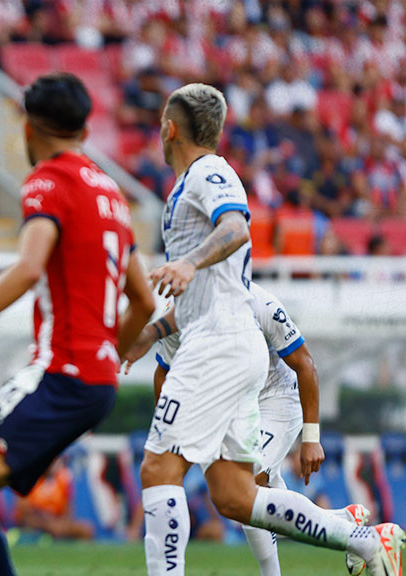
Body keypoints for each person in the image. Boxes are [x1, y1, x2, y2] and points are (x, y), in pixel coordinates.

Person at [138, 82, 403, 576]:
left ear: (170, 128)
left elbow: (237, 227)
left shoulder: (208, 172)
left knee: (158, 470)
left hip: (218, 345)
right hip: (225, 345)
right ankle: (362, 539)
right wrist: (150, 334)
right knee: (237, 495)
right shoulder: (189, 184)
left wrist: (189, 262)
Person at [0, 73, 157, 576]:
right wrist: (110, 357)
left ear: (28, 127)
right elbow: (145, 302)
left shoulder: (48, 181)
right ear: (84, 127)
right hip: (94, 380)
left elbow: (28, 267)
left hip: (62, 370)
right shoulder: (111, 195)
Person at [123, 281, 372, 575]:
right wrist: (171, 436)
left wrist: (311, 438)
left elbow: (305, 363)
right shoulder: (176, 318)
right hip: (233, 405)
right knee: (263, 509)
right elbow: (164, 372)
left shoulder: (260, 303)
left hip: (276, 398)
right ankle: (346, 524)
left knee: (248, 489)